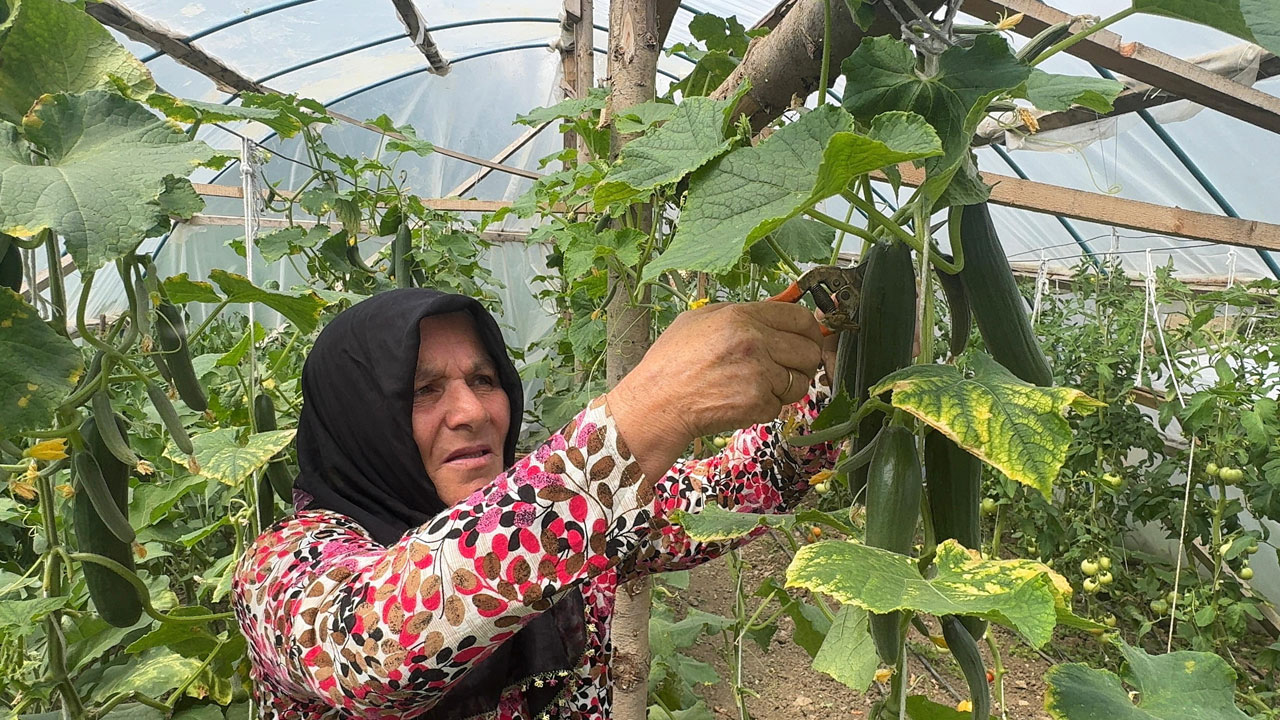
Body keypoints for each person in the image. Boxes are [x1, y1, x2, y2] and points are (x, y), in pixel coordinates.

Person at [232, 288, 840, 720]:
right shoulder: (283, 567)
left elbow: (745, 487)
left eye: (484, 379)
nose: (471, 412)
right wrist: (644, 415)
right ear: (358, 419)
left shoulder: (571, 526)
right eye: (423, 390)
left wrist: (831, 371)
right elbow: (370, 650)